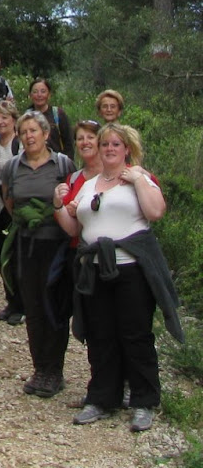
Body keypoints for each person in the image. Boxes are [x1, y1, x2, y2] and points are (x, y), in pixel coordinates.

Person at [55, 123, 182, 432]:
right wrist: (58, 204)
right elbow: (74, 229)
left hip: (132, 270)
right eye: (105, 144)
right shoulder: (88, 184)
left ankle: (143, 401)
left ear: (127, 149)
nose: (109, 149)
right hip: (95, 270)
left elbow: (155, 212)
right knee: (101, 335)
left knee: (135, 334)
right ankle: (102, 398)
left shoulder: (139, 178)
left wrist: (138, 179)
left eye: (115, 144)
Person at [1, 111, 75, 398]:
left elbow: (71, 198)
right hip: (26, 243)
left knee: (54, 306)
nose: (29, 136)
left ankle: (55, 370)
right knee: (32, 306)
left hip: (55, 244)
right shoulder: (12, 167)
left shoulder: (62, 164)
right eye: (24, 131)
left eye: (34, 130)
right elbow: (10, 202)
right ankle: (40, 368)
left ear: (46, 134)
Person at [0, 101, 24, 324]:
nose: (0, 122)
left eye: (5, 118)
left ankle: (22, 304)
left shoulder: (19, 146)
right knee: (0, 255)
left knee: (16, 256)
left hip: (13, 206)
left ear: (13, 120)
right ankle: (11, 300)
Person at [28, 78, 74, 156]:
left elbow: (68, 143)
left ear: (49, 95)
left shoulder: (58, 114)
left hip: (56, 163)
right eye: (35, 92)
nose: (39, 95)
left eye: (43, 91)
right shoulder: (26, 116)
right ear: (30, 95)